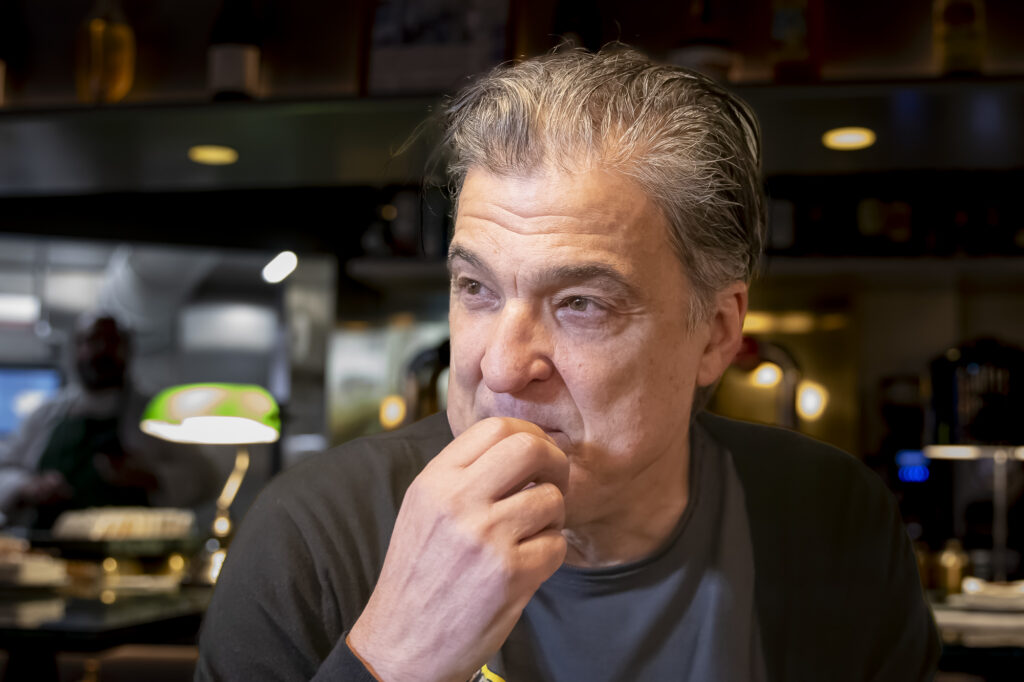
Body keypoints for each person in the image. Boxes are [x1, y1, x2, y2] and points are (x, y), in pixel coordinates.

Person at [197, 47, 939, 681]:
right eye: (476, 289)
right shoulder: (311, 538)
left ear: (716, 334)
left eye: (581, 303)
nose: (501, 366)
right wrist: (393, 659)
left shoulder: (835, 517)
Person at [0, 312, 219, 529]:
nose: (100, 350)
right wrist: (27, 486)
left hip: (132, 545)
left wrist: (151, 477)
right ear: (76, 349)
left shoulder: (158, 413)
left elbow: (206, 479)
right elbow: (4, 469)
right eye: (91, 341)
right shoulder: (44, 414)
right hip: (46, 543)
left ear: (128, 349)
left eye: (111, 341)